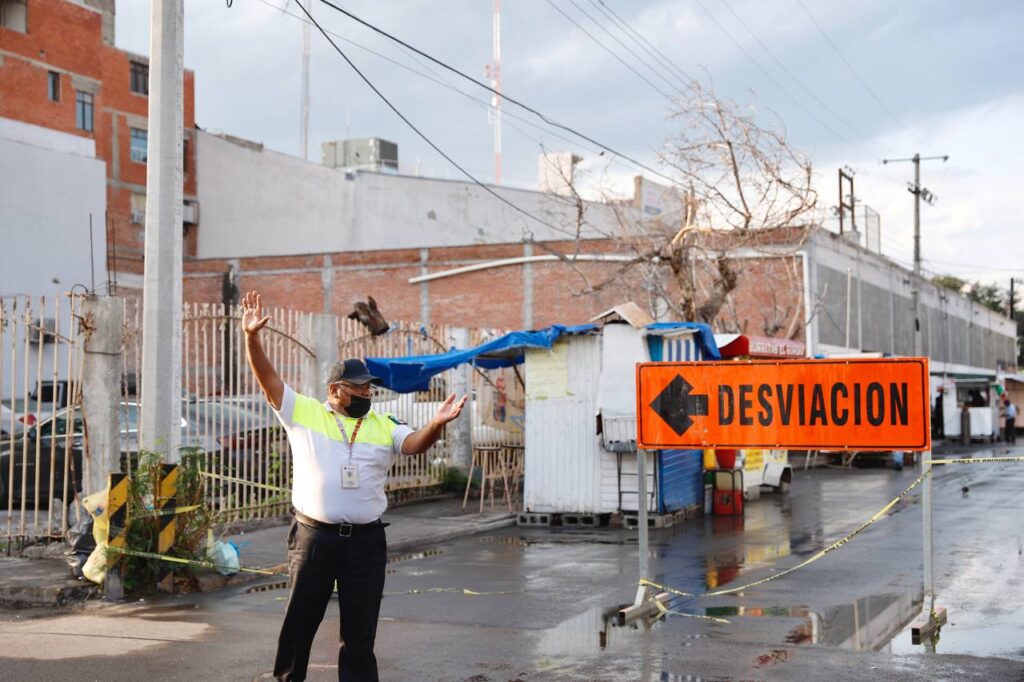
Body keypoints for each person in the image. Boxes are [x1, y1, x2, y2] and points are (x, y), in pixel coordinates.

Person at [240, 291, 467, 681]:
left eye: (368, 388)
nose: (366, 393)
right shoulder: (304, 412)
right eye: (357, 387)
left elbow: (413, 446)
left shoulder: (384, 422)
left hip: (365, 543)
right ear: (334, 390)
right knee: (299, 627)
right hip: (314, 539)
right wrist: (252, 339)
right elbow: (268, 379)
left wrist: (434, 425)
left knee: (360, 636)